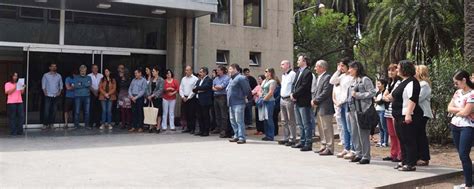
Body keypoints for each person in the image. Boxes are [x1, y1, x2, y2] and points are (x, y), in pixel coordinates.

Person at [391, 60, 424, 171]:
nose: (397, 70)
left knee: (409, 139)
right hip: (398, 115)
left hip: (407, 114)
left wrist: (408, 114)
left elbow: (412, 99)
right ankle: (404, 160)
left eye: (398, 67)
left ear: (404, 69)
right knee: (402, 139)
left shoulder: (412, 82)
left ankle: (410, 163)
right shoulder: (403, 82)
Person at [448, 70, 474, 188]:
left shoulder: (472, 94)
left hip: (468, 126)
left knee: (464, 154)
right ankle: (468, 181)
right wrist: (461, 111)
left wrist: (460, 111)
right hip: (456, 125)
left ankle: (469, 184)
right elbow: (449, 108)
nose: (455, 85)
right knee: (461, 155)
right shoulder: (458, 92)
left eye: (457, 82)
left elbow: (467, 112)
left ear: (464, 80)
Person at [347, 61, 376, 164]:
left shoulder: (365, 79)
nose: (349, 70)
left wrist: (358, 95)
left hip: (362, 110)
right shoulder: (353, 80)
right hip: (352, 110)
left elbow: (372, 92)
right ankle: (358, 153)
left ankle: (366, 156)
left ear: (356, 68)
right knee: (354, 133)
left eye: (350, 68)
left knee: (363, 133)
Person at [329, 58, 354, 159]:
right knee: (344, 127)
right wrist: (338, 71)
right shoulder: (342, 76)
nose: (341, 68)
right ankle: (346, 147)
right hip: (341, 105)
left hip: (347, 104)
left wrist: (341, 101)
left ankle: (352, 148)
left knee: (349, 127)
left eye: (343, 66)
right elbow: (332, 81)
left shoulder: (352, 77)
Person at [311, 60, 335, 155]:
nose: (315, 68)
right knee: (321, 128)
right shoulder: (319, 77)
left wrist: (316, 100)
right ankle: (323, 145)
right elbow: (316, 91)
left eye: (316, 66)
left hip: (325, 106)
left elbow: (326, 92)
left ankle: (329, 148)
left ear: (322, 67)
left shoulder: (327, 77)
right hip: (319, 106)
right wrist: (314, 100)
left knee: (327, 128)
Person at [291, 54, 313, 151]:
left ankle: (308, 143)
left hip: (303, 101)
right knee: (300, 123)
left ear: (304, 61)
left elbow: (304, 87)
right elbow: (294, 84)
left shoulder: (308, 73)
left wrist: (294, 95)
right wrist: (292, 94)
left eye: (299, 60)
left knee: (306, 123)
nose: (297, 61)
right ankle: (302, 141)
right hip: (296, 101)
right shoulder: (298, 72)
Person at [382, 63, 402, 162]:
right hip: (388, 111)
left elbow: (392, 96)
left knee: (397, 134)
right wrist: (386, 97)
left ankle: (400, 154)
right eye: (389, 70)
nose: (390, 72)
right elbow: (384, 95)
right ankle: (393, 153)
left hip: (395, 111)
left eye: (393, 70)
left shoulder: (398, 82)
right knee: (391, 134)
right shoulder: (389, 83)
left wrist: (387, 97)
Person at [227, 64, 251, 144]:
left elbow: (247, 89)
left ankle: (241, 137)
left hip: (239, 103)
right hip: (231, 103)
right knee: (233, 120)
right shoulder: (231, 79)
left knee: (239, 121)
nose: (228, 71)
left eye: (230, 69)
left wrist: (245, 97)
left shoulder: (241, 78)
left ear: (235, 69)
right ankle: (236, 136)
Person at [415, 65, 433, 166]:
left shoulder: (424, 84)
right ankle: (418, 156)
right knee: (417, 135)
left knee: (421, 135)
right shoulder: (418, 84)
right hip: (417, 112)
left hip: (422, 112)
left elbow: (418, 98)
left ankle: (424, 157)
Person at [278, 60, 297, 146]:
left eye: (282, 64)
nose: (281, 66)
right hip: (282, 98)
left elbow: (294, 85)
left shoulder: (292, 74)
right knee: (283, 120)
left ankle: (292, 138)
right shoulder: (283, 75)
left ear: (288, 65)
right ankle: (285, 137)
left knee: (291, 119)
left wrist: (292, 95)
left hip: (289, 99)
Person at [41, 63, 63, 130]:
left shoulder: (59, 76)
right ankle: (45, 124)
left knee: (54, 111)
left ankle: (51, 124)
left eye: (55, 66)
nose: (54, 67)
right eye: (52, 66)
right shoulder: (46, 75)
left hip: (55, 95)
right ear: (49, 67)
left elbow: (61, 85)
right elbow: (43, 85)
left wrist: (59, 92)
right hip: (48, 95)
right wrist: (45, 92)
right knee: (46, 111)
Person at [212, 65, 232, 138]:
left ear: (222, 71)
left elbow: (222, 87)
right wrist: (218, 87)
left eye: (218, 70)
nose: (217, 71)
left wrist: (217, 87)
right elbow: (213, 87)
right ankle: (219, 128)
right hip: (216, 97)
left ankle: (224, 130)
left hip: (222, 97)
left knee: (224, 114)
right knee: (217, 114)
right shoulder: (215, 78)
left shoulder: (227, 78)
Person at [258, 68, 278, 141]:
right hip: (263, 100)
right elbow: (260, 89)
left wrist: (263, 99)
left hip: (269, 101)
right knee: (264, 119)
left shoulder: (273, 81)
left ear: (270, 73)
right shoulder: (264, 81)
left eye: (266, 71)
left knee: (269, 118)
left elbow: (271, 92)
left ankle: (271, 135)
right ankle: (266, 134)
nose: (265, 72)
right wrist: (260, 96)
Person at [193, 67, 213, 137]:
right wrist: (199, 90)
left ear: (205, 72)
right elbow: (194, 89)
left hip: (205, 101)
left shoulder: (208, 80)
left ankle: (206, 131)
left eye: (201, 72)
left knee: (205, 116)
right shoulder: (199, 80)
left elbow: (206, 87)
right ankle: (201, 130)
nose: (199, 73)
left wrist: (198, 89)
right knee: (199, 116)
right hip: (198, 100)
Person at [179, 66, 199, 134]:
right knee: (185, 113)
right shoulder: (183, 79)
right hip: (184, 97)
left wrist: (188, 97)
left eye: (187, 70)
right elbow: (180, 88)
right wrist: (182, 96)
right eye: (186, 70)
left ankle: (192, 128)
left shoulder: (195, 79)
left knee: (192, 114)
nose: (186, 72)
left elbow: (194, 90)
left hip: (191, 98)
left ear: (191, 71)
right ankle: (188, 127)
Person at [146, 66, 164, 133]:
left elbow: (160, 90)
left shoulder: (161, 80)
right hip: (151, 98)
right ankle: (151, 126)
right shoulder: (151, 79)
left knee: (158, 113)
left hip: (157, 98)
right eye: (152, 71)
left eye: (153, 71)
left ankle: (158, 127)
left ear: (157, 72)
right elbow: (147, 88)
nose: (152, 72)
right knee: (151, 112)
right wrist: (148, 95)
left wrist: (153, 95)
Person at [374, 79, 389, 147]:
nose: (378, 85)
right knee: (380, 127)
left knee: (384, 127)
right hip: (377, 110)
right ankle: (381, 141)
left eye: (379, 84)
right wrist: (376, 100)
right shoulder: (378, 92)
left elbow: (381, 101)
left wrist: (376, 100)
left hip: (383, 110)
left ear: (383, 84)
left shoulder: (385, 91)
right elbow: (375, 100)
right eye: (377, 84)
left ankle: (385, 142)